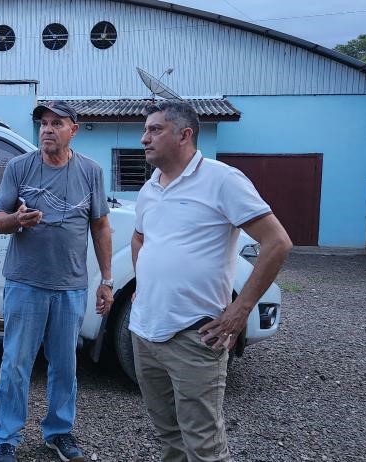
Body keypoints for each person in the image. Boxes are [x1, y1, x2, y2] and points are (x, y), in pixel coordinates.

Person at [130, 100, 292, 462]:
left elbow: (277, 242)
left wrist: (241, 309)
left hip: (195, 335)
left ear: (184, 135)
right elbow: (139, 238)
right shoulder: (150, 188)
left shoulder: (222, 180)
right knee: (168, 436)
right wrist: (144, 285)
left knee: (203, 445)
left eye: (155, 129)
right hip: (144, 332)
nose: (144, 138)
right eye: (145, 130)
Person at [0, 101, 114, 462]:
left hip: (70, 286)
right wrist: (17, 220)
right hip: (25, 282)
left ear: (73, 130)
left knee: (64, 365)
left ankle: (58, 432)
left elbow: (100, 226)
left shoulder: (90, 171)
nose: (47, 129)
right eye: (44, 123)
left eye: (57, 123)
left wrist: (106, 279)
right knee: (16, 362)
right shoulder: (19, 167)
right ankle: (6, 436)